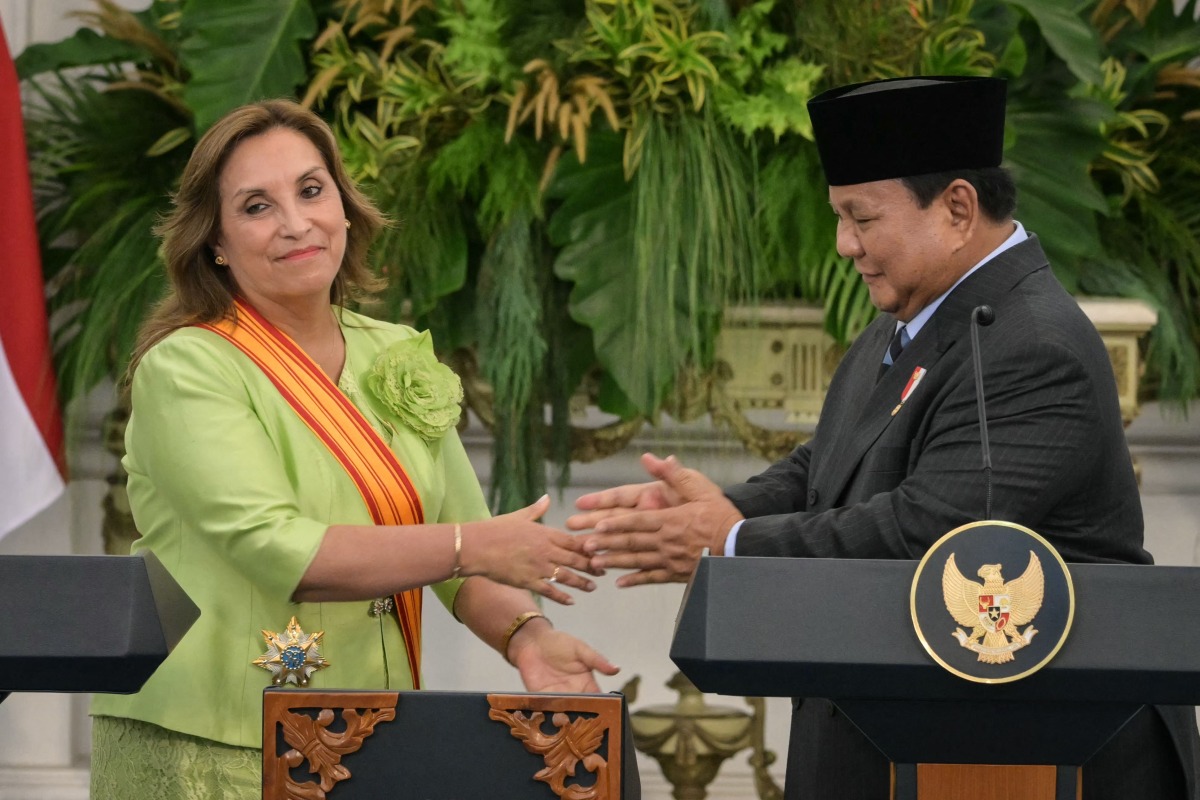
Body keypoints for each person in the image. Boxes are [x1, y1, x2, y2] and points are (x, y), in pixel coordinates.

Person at [567, 76, 1198, 799]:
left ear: (958, 208)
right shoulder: (914, 315)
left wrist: (732, 545)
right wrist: (725, 512)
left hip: (1040, 753)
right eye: (839, 217)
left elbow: (932, 534)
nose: (844, 245)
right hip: (906, 740)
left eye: (861, 218)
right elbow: (828, 464)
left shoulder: (1032, 346)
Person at [89, 98, 617, 799]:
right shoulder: (189, 367)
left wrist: (527, 636)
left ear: (344, 205)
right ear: (214, 240)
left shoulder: (397, 354)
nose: (296, 223)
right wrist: (472, 546)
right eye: (256, 206)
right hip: (213, 740)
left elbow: (462, 548)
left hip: (371, 731)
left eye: (312, 190)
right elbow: (284, 550)